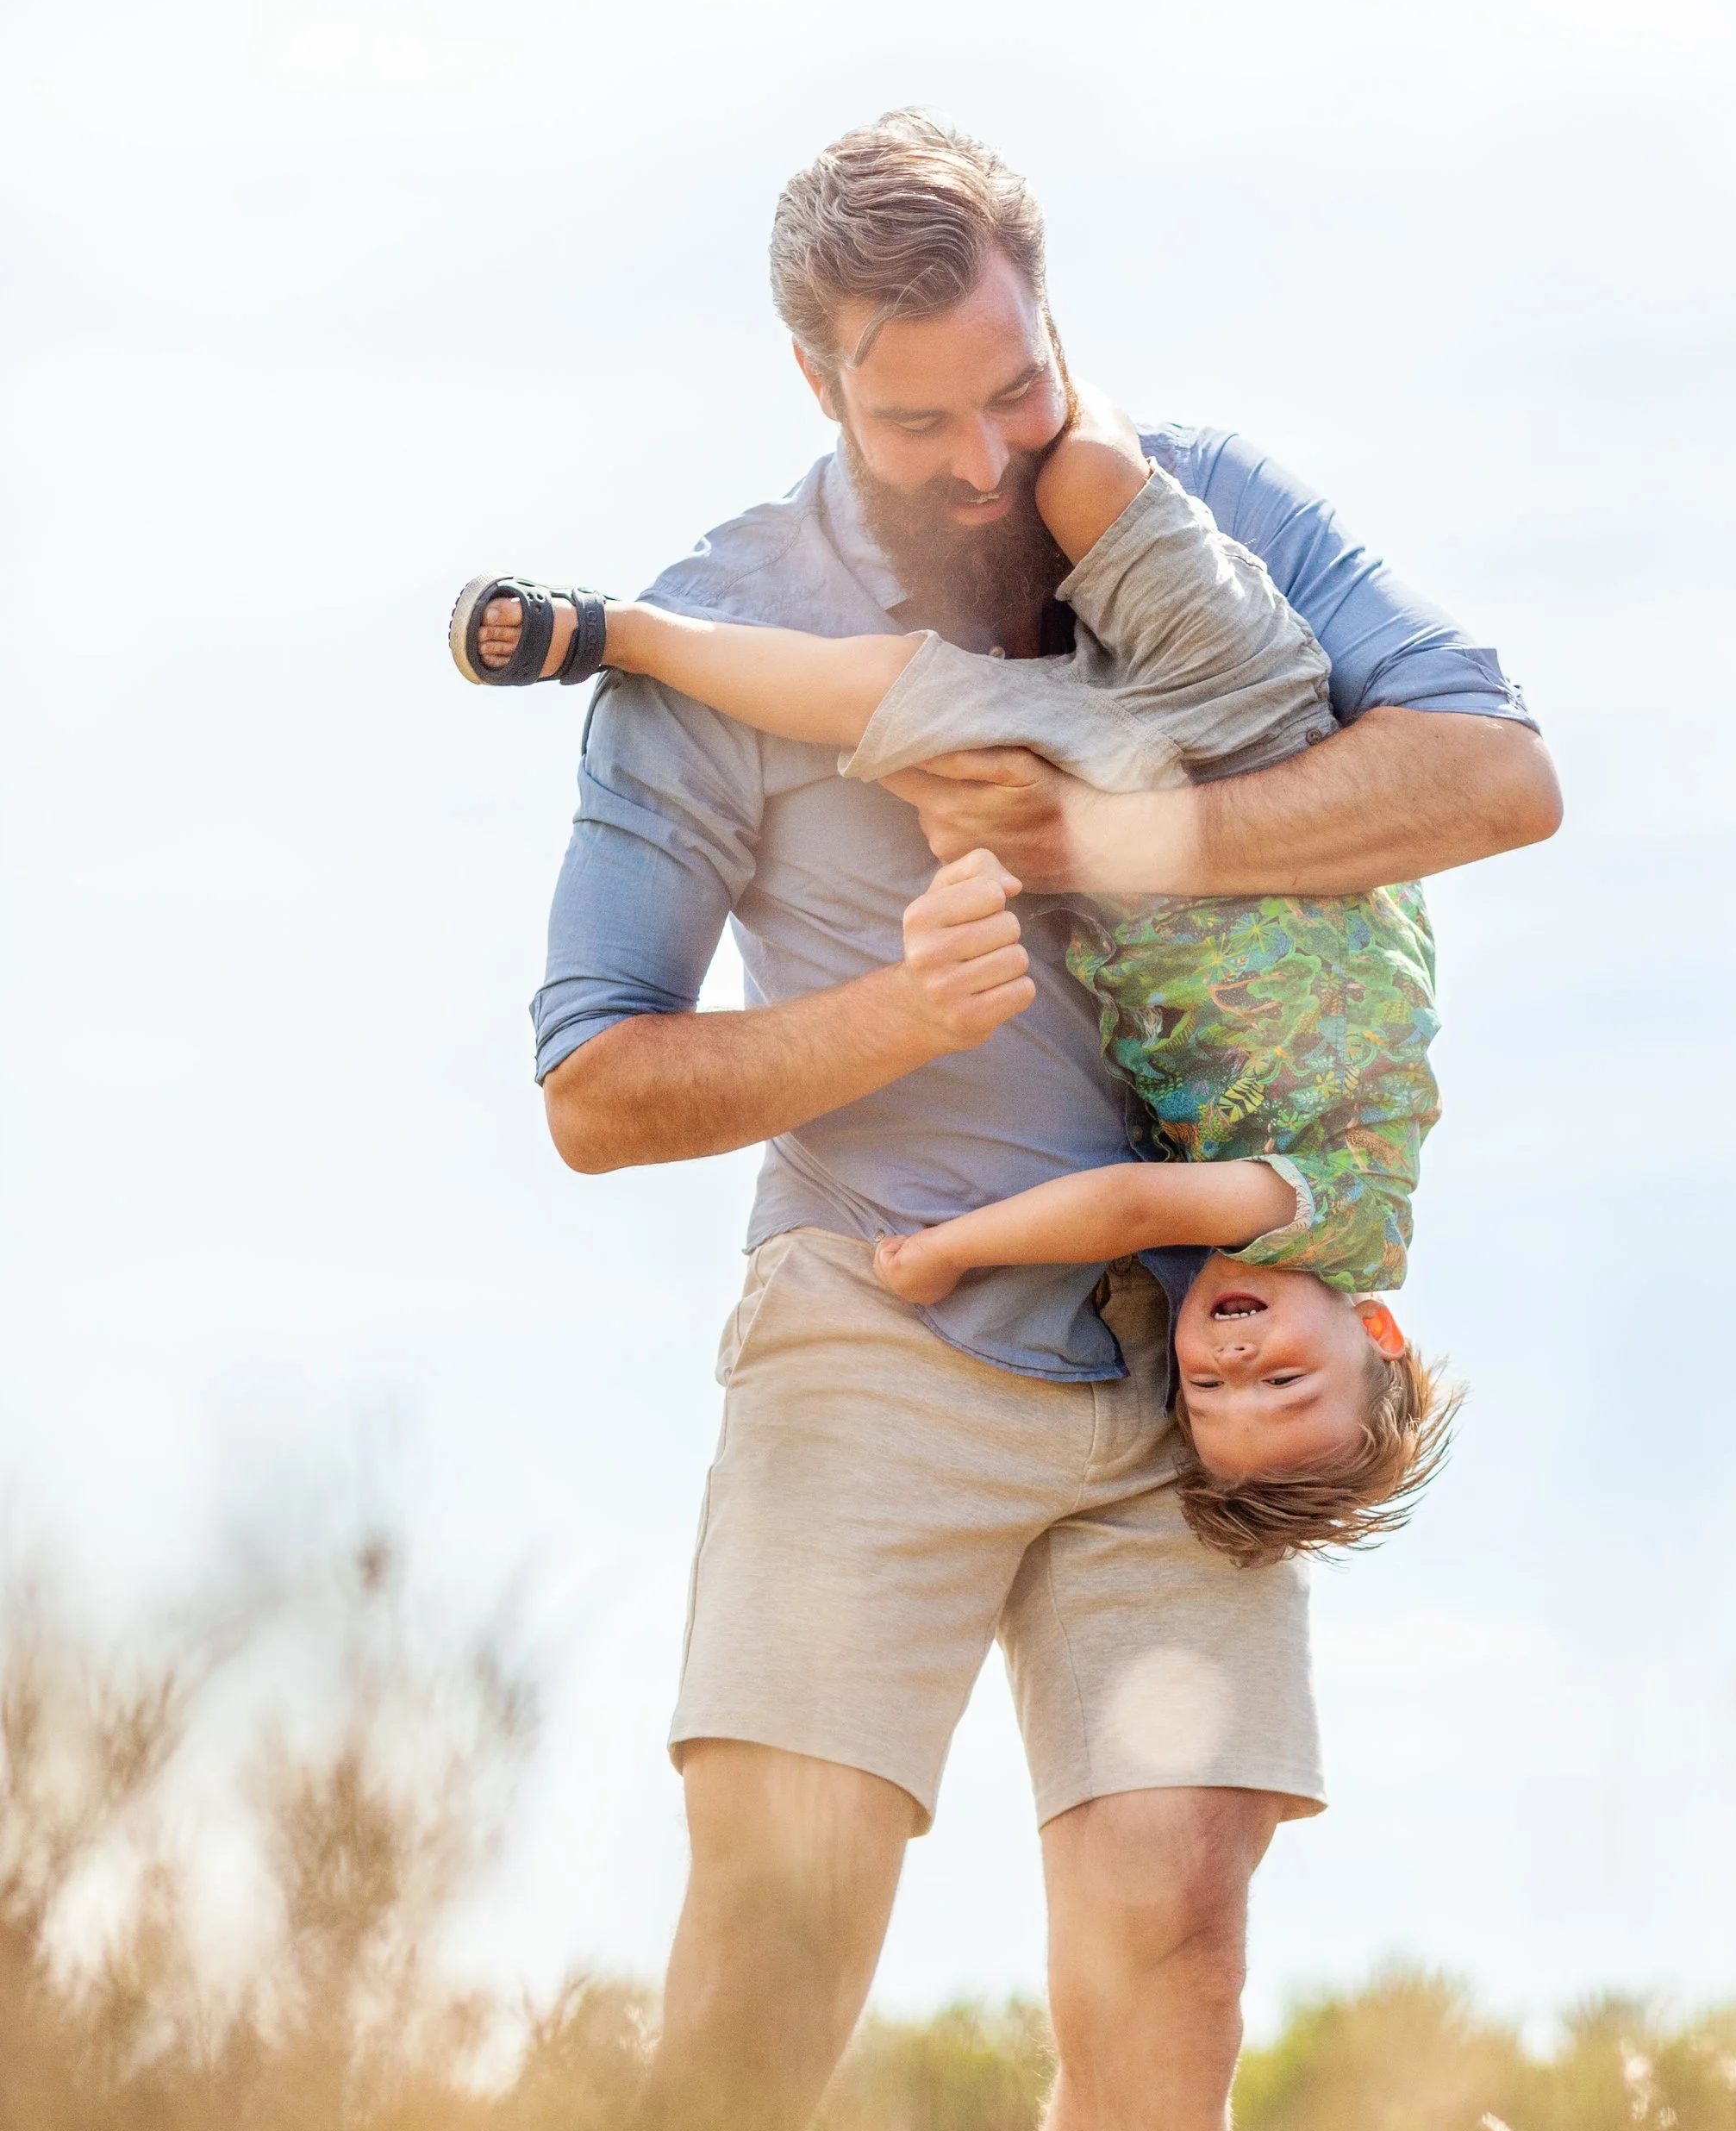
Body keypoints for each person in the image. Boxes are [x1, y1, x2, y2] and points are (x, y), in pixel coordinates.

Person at [517, 112, 1560, 2131]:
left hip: (1194, 1390)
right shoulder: (712, 642)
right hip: (873, 1337)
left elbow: (1491, 774)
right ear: (819, 384)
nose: (991, 454)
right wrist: (882, 1027)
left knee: (1172, 1952)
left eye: (1021, 384)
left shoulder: (1202, 513)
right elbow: (598, 1087)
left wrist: (1102, 843)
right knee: (776, 1951)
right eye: (923, 416)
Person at [452, 391, 1460, 1567]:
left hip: (1115, 813)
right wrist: (950, 1251)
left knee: (908, 708)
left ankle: (617, 633)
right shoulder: (1338, 1221)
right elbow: (1127, 1208)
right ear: (1378, 1330)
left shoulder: (1244, 1248)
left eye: (1212, 1394)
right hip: (1247, 730)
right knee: (1080, 473)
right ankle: (1028, 362)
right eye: (1285, 1380)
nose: (1234, 1366)